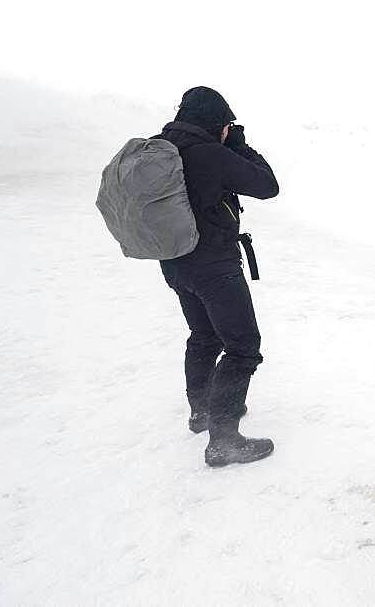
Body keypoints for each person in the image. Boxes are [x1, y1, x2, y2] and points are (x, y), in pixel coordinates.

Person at [155, 86, 279, 467]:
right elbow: (267, 185)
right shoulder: (210, 154)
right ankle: (223, 439)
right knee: (242, 348)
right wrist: (238, 144)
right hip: (214, 267)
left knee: (204, 335)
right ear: (217, 122)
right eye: (227, 124)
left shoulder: (162, 147)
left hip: (175, 263)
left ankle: (201, 412)